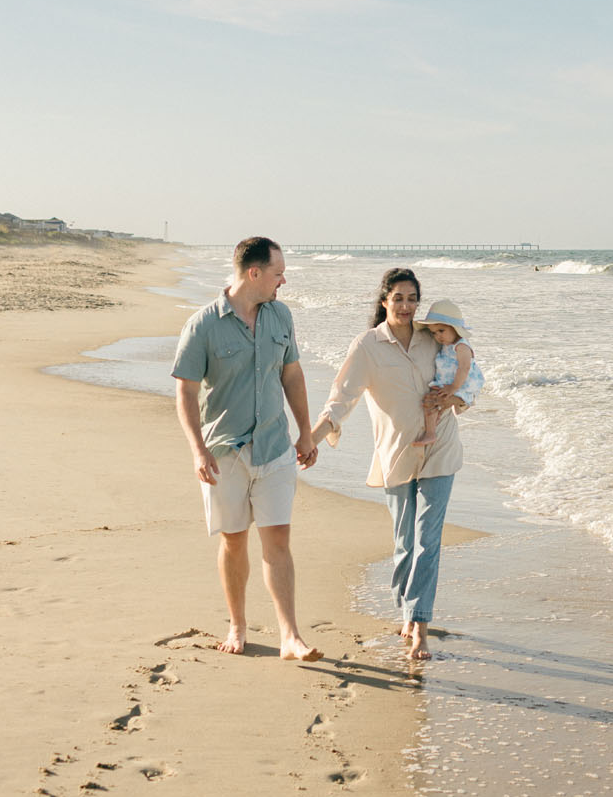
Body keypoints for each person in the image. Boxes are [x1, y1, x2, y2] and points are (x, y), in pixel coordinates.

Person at [172, 235, 321, 661]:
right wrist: (198, 450)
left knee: (278, 540)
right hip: (224, 454)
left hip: (273, 448)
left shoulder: (280, 317)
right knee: (235, 542)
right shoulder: (203, 324)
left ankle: (290, 635)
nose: (284, 281)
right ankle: (237, 624)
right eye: (278, 273)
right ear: (254, 273)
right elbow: (184, 392)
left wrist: (305, 431)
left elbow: (292, 376)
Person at [312, 268, 468, 661]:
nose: (406, 306)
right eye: (398, 298)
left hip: (440, 446)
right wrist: (311, 439)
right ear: (384, 301)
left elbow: (468, 378)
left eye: (412, 298)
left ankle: (419, 627)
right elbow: (341, 397)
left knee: (428, 542)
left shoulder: (434, 339)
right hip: (397, 452)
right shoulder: (367, 346)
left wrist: (452, 400)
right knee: (404, 544)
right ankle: (407, 608)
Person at [412, 300, 484, 447]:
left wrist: (453, 388)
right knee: (431, 402)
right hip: (447, 384)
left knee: (431, 401)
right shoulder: (447, 345)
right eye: (434, 333)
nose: (438, 336)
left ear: (454, 328)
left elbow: (464, 367)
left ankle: (430, 433)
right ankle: (432, 428)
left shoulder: (461, 346)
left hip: (461, 386)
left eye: (441, 331)